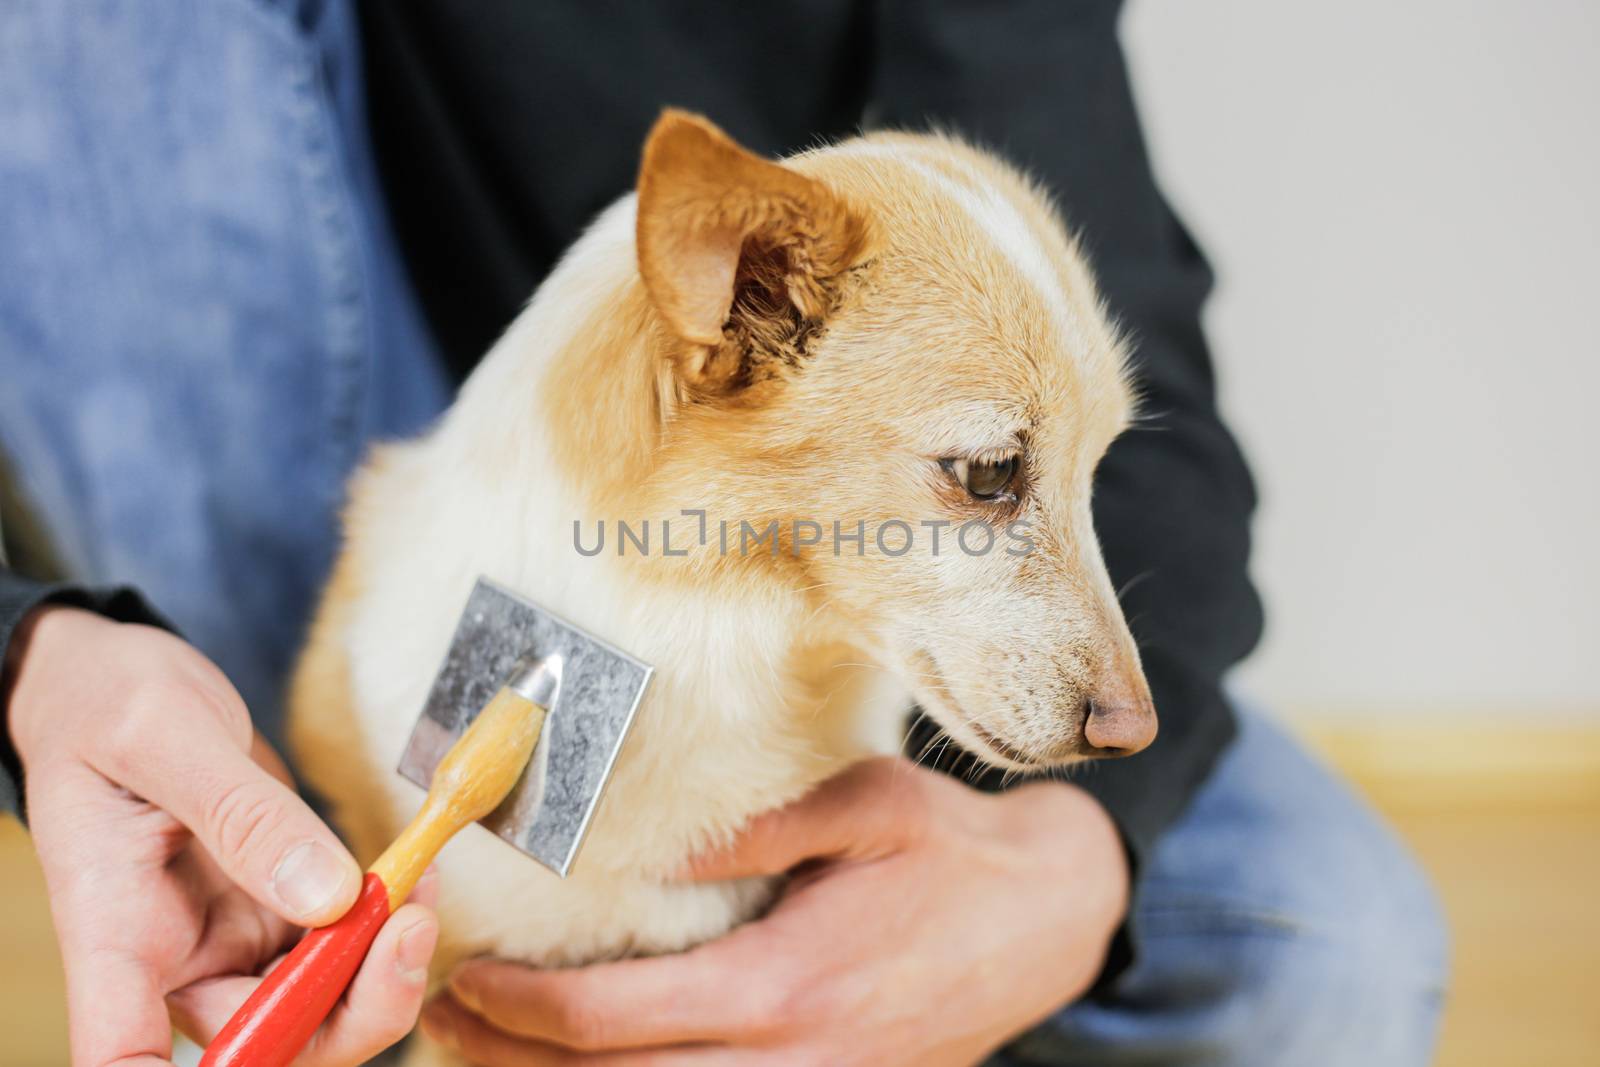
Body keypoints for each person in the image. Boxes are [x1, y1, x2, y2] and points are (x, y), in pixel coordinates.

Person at [0, 2, 1448, 1064]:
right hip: (366, 475)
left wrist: (1086, 851)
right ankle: (306, 848)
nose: (1110, 703)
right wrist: (29, 641)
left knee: (1339, 964)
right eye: (990, 479)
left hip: (789, 511)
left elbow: (1124, 344)